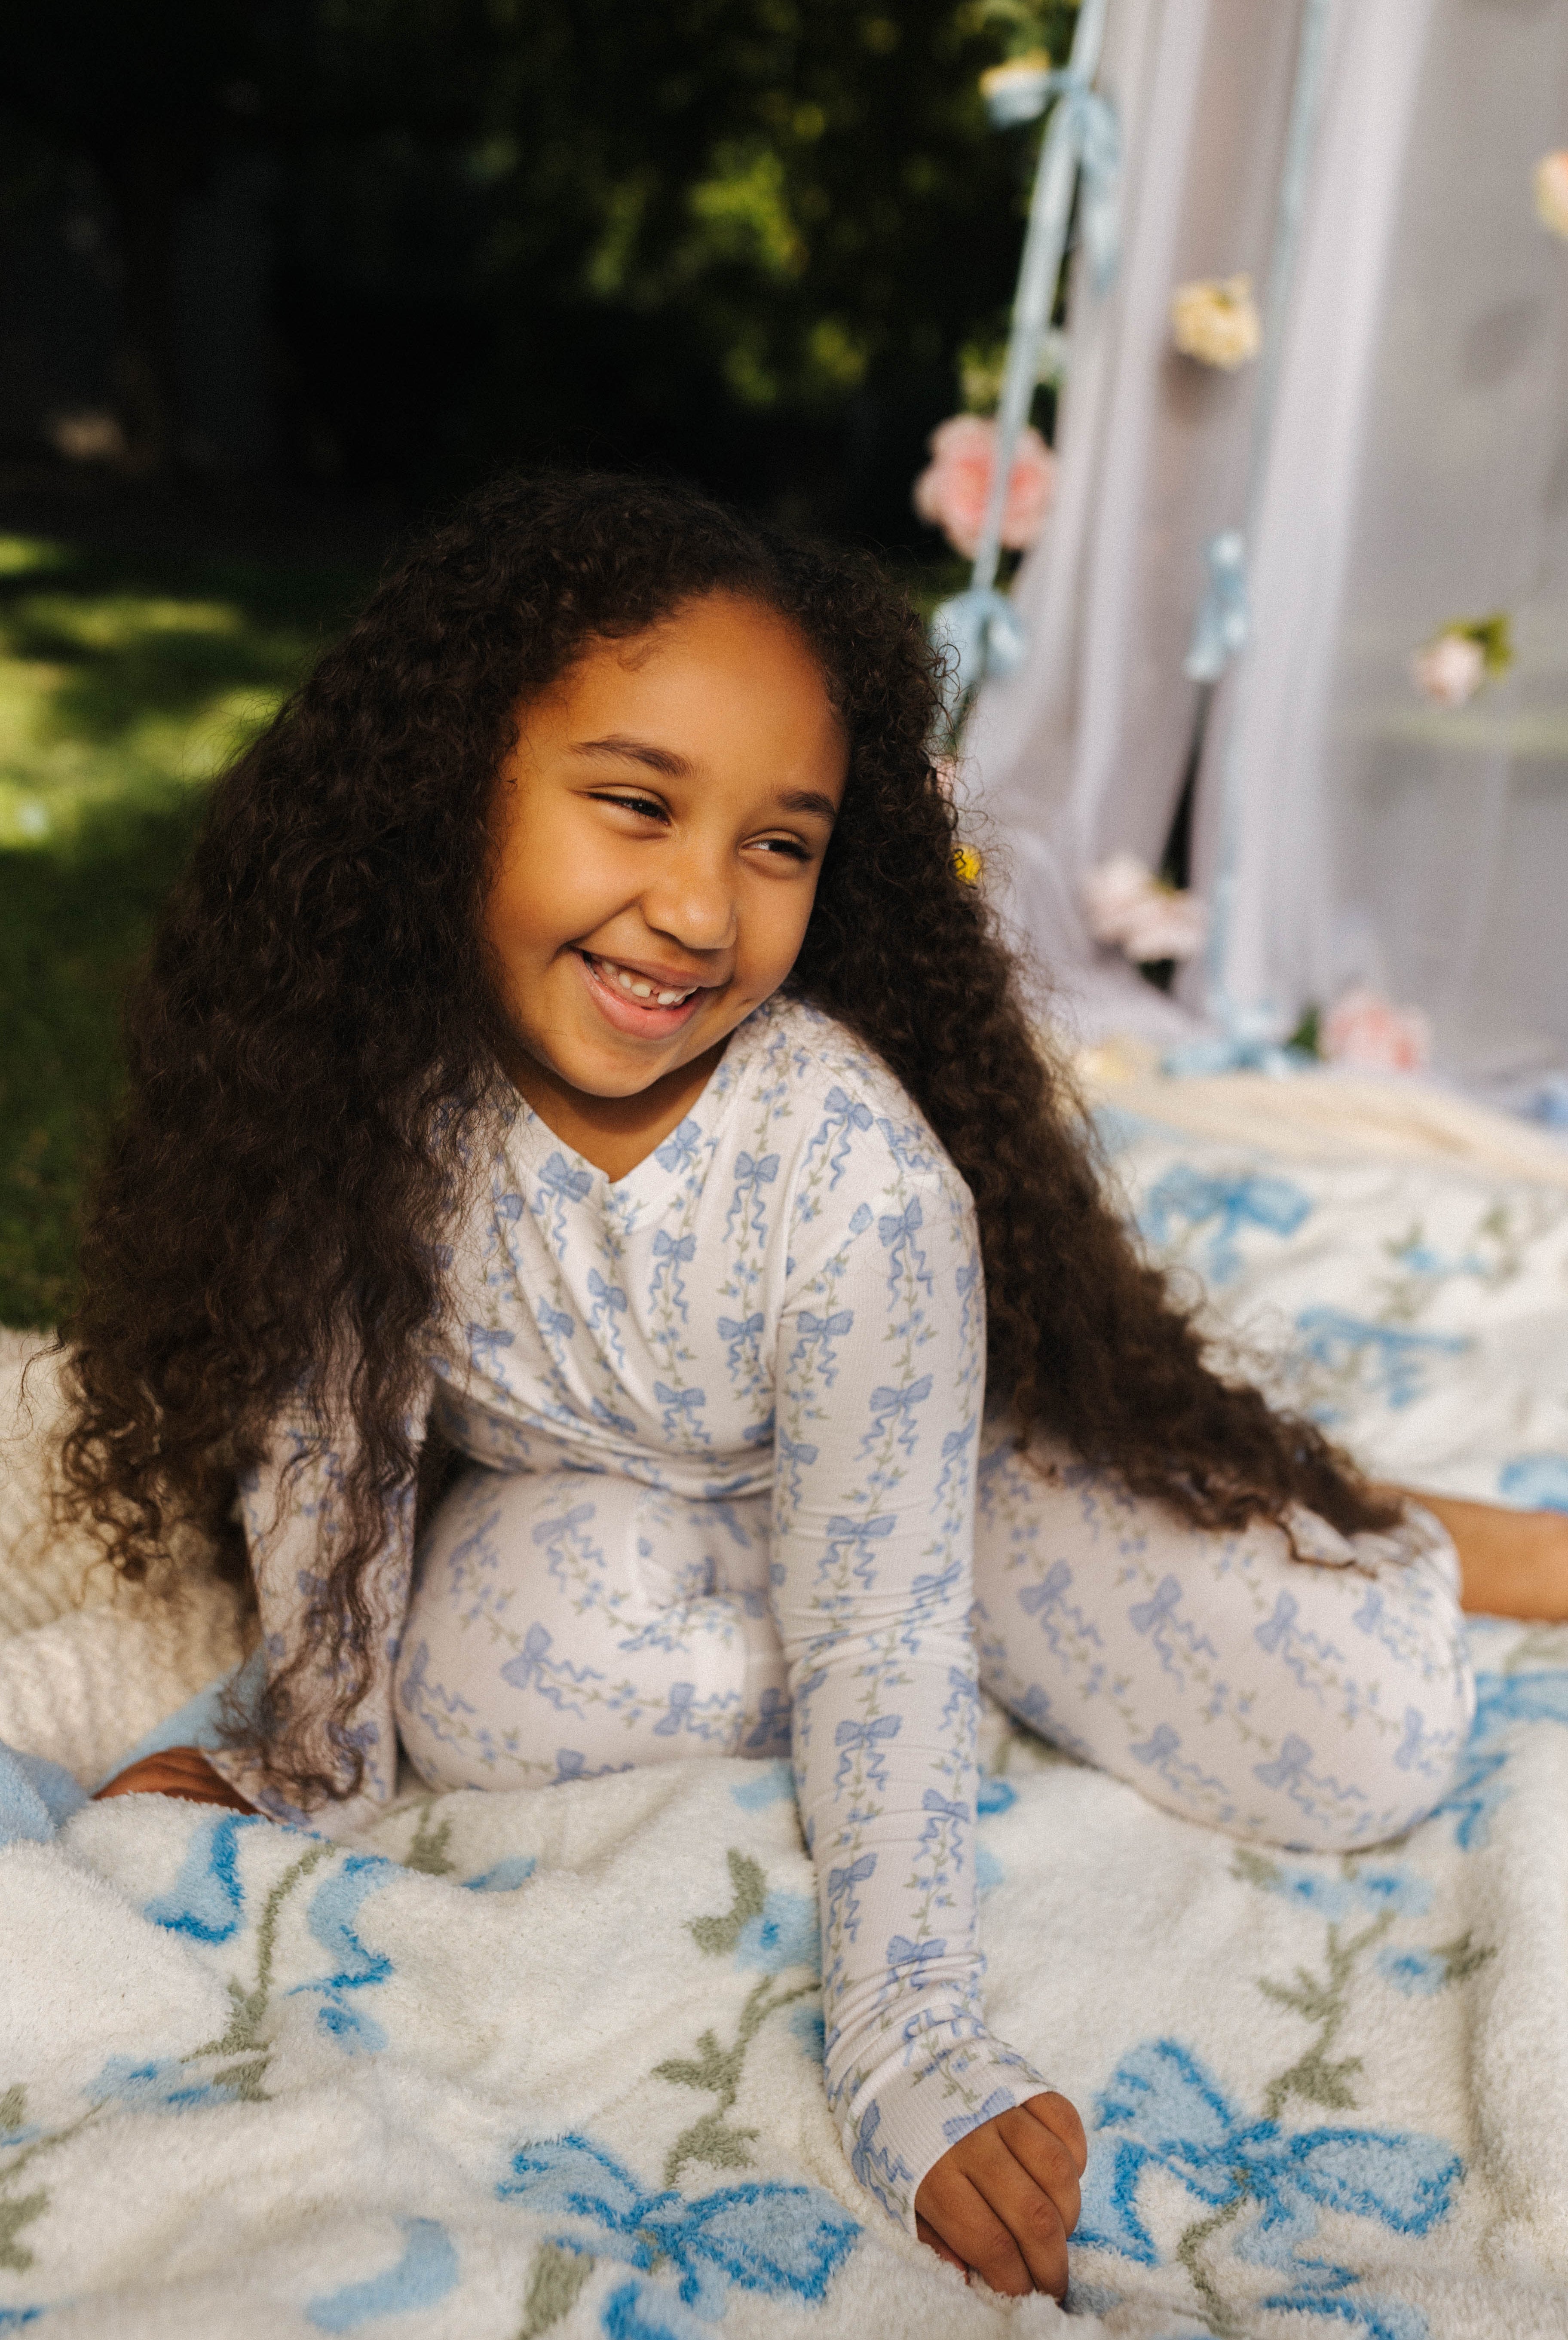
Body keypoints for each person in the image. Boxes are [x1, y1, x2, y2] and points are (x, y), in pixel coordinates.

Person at [65, 474, 1568, 2301]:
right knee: (471, 1686)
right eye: (636, 803)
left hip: (939, 1489)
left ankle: (1414, 1527)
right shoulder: (357, 1087)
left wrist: (912, 2040)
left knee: (1358, 1737)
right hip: (643, 1497)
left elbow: (876, 1639)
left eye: (781, 842)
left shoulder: (852, 1179)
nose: (697, 907)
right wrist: (294, 1738)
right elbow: (329, 1440)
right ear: (452, 779)